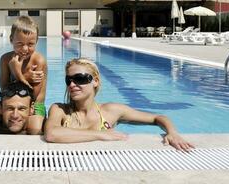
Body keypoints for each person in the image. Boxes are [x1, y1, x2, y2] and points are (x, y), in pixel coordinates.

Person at [44, 58, 194, 151]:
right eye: (68, 80)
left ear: (95, 81)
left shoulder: (111, 111)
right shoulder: (60, 110)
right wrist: (101, 135)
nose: (72, 84)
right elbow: (51, 134)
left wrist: (172, 133)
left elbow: (157, 117)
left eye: (80, 78)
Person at [0, 16, 47, 134]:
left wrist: (17, 73)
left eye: (30, 44)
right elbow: (3, 90)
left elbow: (33, 95)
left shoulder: (38, 61)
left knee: (35, 129)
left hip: (34, 105)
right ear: (11, 39)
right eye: (19, 43)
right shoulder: (5, 59)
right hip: (9, 103)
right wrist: (25, 77)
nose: (25, 49)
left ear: (37, 41)